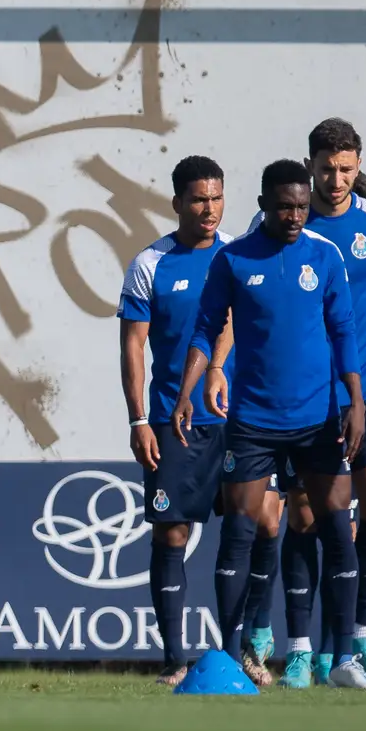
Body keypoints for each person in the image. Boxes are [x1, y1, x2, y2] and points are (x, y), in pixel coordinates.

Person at [176, 158, 366, 690]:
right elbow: (205, 327)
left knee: (337, 530)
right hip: (253, 421)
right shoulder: (234, 259)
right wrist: (186, 391)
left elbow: (344, 332)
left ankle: (342, 662)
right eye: (285, 206)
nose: (295, 216)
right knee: (239, 532)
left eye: (302, 207)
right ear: (263, 203)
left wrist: (355, 401)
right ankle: (228, 655)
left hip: (317, 419)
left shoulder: (325, 255)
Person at [280, 119, 366, 685]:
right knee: (308, 516)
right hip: (308, 394)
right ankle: (301, 648)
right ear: (310, 164)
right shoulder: (289, 224)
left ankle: (361, 640)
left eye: (347, 168)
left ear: (359, 165)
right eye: (328, 168)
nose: (337, 179)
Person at [118, 156, 235, 685]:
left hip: (240, 420)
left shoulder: (239, 256)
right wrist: (139, 418)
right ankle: (174, 660)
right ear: (177, 203)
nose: (208, 210)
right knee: (171, 534)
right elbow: (133, 345)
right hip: (172, 420)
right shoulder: (150, 263)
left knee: (254, 527)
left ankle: (235, 654)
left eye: (215, 198)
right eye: (198, 200)